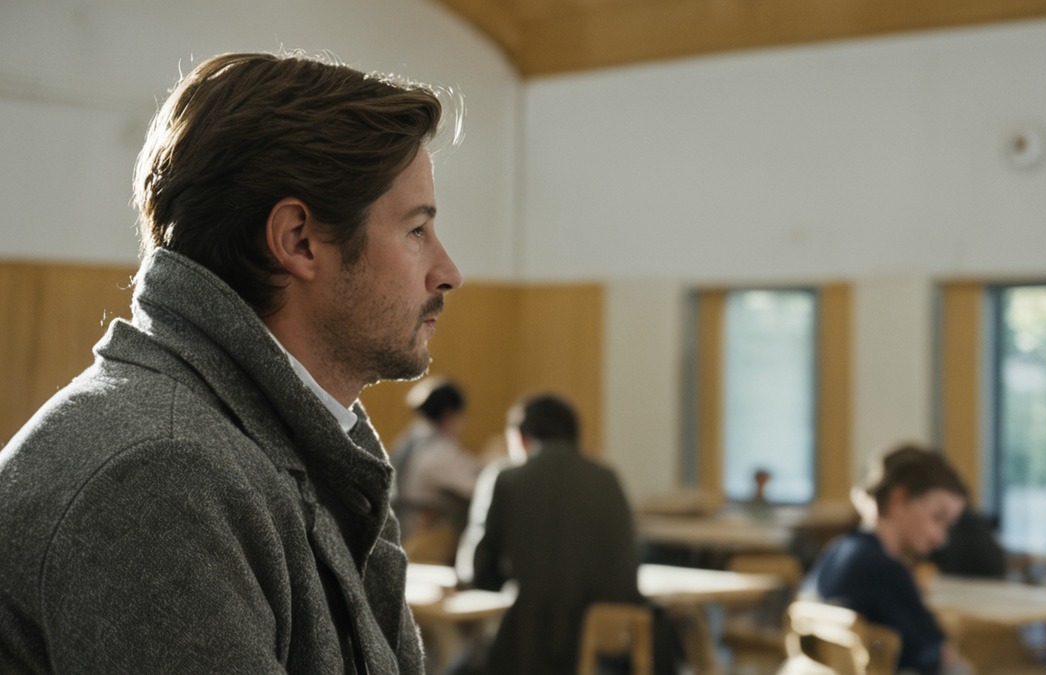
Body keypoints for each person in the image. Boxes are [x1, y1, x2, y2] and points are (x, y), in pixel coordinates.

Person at [0, 51, 462, 674]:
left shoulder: (266, 444)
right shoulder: (157, 477)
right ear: (298, 240)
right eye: (416, 231)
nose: (448, 272)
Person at [472, 394, 645, 675]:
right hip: (613, 650)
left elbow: (479, 573)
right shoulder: (608, 477)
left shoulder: (507, 479)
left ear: (521, 438)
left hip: (530, 651)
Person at [801, 444, 969, 675]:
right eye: (937, 518)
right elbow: (939, 653)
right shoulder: (884, 570)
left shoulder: (838, 551)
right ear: (899, 500)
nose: (941, 538)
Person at [390, 377, 479, 562]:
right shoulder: (438, 450)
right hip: (418, 532)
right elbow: (475, 486)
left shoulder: (412, 437)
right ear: (449, 414)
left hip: (397, 523)